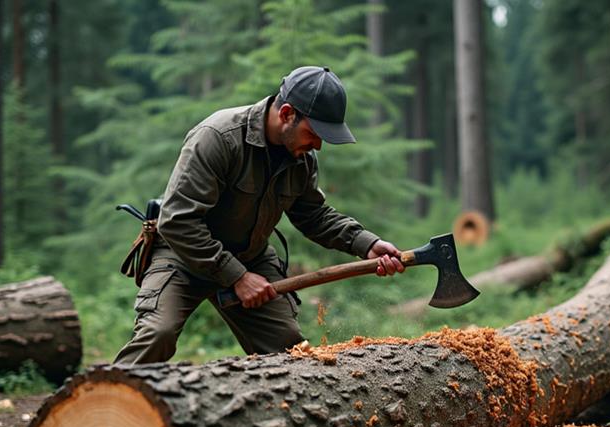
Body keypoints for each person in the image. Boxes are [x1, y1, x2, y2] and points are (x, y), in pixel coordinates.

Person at [114, 66, 404, 365]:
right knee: (157, 335)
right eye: (315, 133)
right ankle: (101, 404)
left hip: (250, 256)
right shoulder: (218, 137)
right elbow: (177, 221)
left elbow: (313, 215)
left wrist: (366, 243)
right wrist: (236, 276)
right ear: (288, 113)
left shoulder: (302, 158)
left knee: (291, 354)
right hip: (182, 253)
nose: (318, 145)